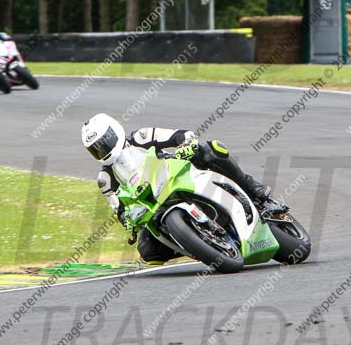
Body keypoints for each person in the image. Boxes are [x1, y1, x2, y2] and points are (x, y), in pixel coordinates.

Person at [81, 113, 281, 264]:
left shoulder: (141, 137)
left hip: (179, 175)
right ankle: (199, 243)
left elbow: (179, 135)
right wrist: (129, 221)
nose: (102, 150)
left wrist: (185, 143)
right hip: (154, 206)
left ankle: (253, 189)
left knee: (210, 150)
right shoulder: (105, 179)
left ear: (114, 131)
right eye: (95, 149)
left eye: (103, 143)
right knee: (148, 252)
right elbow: (119, 210)